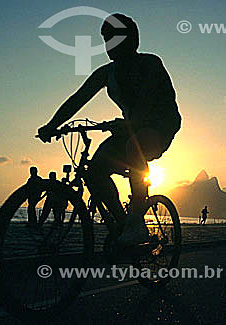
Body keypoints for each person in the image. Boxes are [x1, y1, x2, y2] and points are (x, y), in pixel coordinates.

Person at [37, 14, 181, 246]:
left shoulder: (150, 63)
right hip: (129, 128)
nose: (110, 45)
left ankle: (136, 221)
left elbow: (147, 99)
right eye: (107, 40)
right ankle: (122, 221)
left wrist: (130, 124)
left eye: (116, 39)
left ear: (132, 41)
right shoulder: (106, 73)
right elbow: (78, 99)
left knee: (135, 146)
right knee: (94, 171)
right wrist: (52, 126)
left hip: (160, 126)